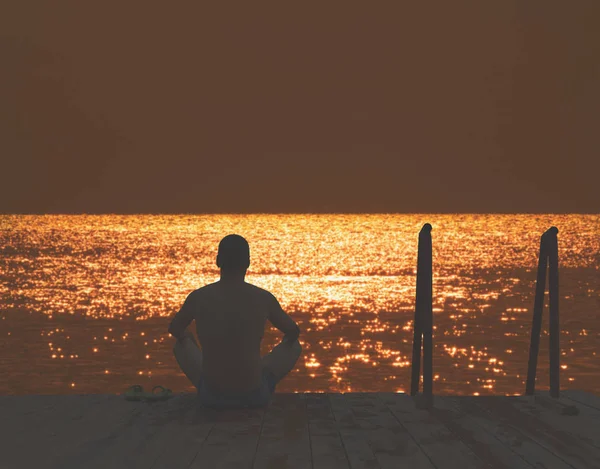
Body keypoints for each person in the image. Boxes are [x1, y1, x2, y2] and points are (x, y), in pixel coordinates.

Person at [168, 234, 302, 408]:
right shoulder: (263, 298)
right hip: (254, 397)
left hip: (212, 397)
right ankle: (255, 373)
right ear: (247, 263)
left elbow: (175, 328)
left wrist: (187, 337)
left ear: (217, 261)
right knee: (294, 345)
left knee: (181, 345)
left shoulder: (198, 297)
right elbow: (293, 332)